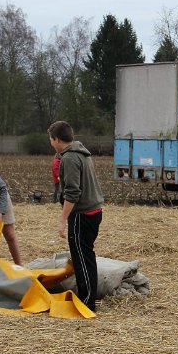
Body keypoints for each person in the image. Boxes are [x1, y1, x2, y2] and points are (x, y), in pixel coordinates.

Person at [48, 121, 104, 312]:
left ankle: (87, 302)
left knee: (82, 257)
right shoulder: (82, 153)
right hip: (94, 211)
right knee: (86, 255)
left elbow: (73, 193)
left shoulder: (70, 158)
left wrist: (62, 220)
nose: (51, 142)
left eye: (50, 139)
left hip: (83, 214)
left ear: (56, 139)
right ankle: (87, 297)